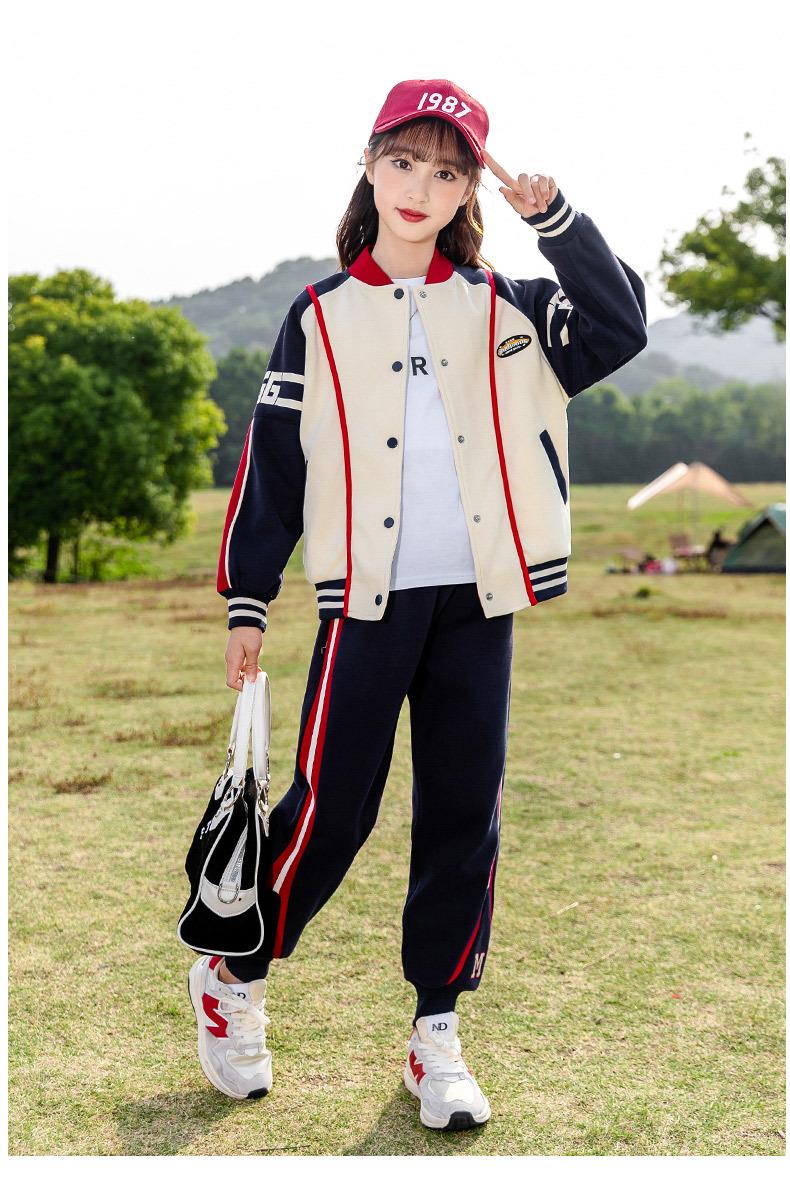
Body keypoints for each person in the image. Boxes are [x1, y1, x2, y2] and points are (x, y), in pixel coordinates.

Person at [185, 76, 648, 1129]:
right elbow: (272, 470)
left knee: (461, 815)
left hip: (479, 603)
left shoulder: (509, 305)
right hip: (365, 606)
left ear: (467, 191)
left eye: (446, 171)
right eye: (403, 161)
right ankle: (233, 975)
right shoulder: (316, 316)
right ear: (369, 163)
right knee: (330, 811)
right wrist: (248, 600)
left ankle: (435, 1032)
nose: (419, 186)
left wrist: (558, 225)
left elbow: (619, 327)